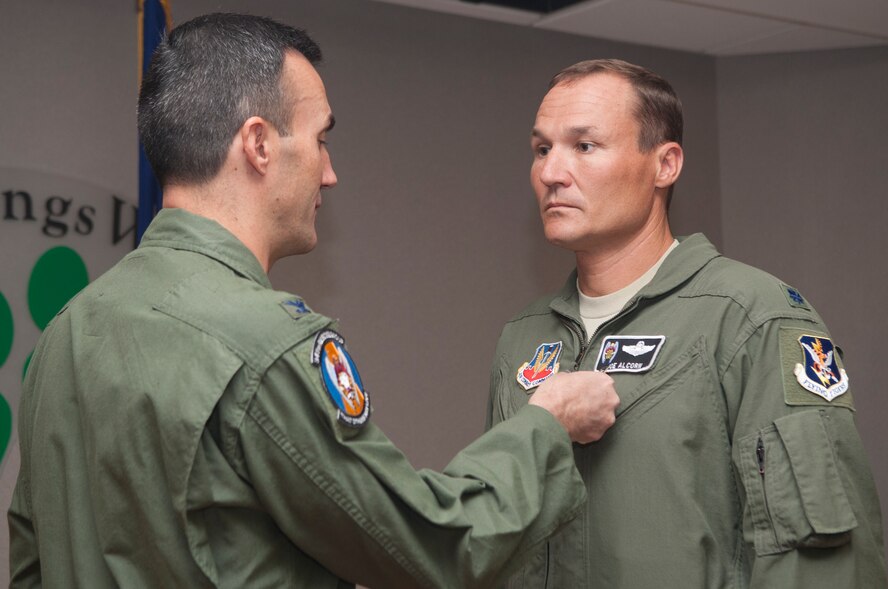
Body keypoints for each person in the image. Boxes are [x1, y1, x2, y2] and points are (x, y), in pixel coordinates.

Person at [7, 14, 621, 588]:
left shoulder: (69, 330)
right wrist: (546, 425)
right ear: (258, 144)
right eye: (321, 139)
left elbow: (33, 561)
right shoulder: (261, 340)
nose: (330, 173)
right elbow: (430, 545)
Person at [486, 59, 887, 588]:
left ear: (665, 164)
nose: (550, 173)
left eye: (584, 146)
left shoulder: (751, 315)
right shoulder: (524, 336)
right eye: (542, 149)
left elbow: (823, 561)